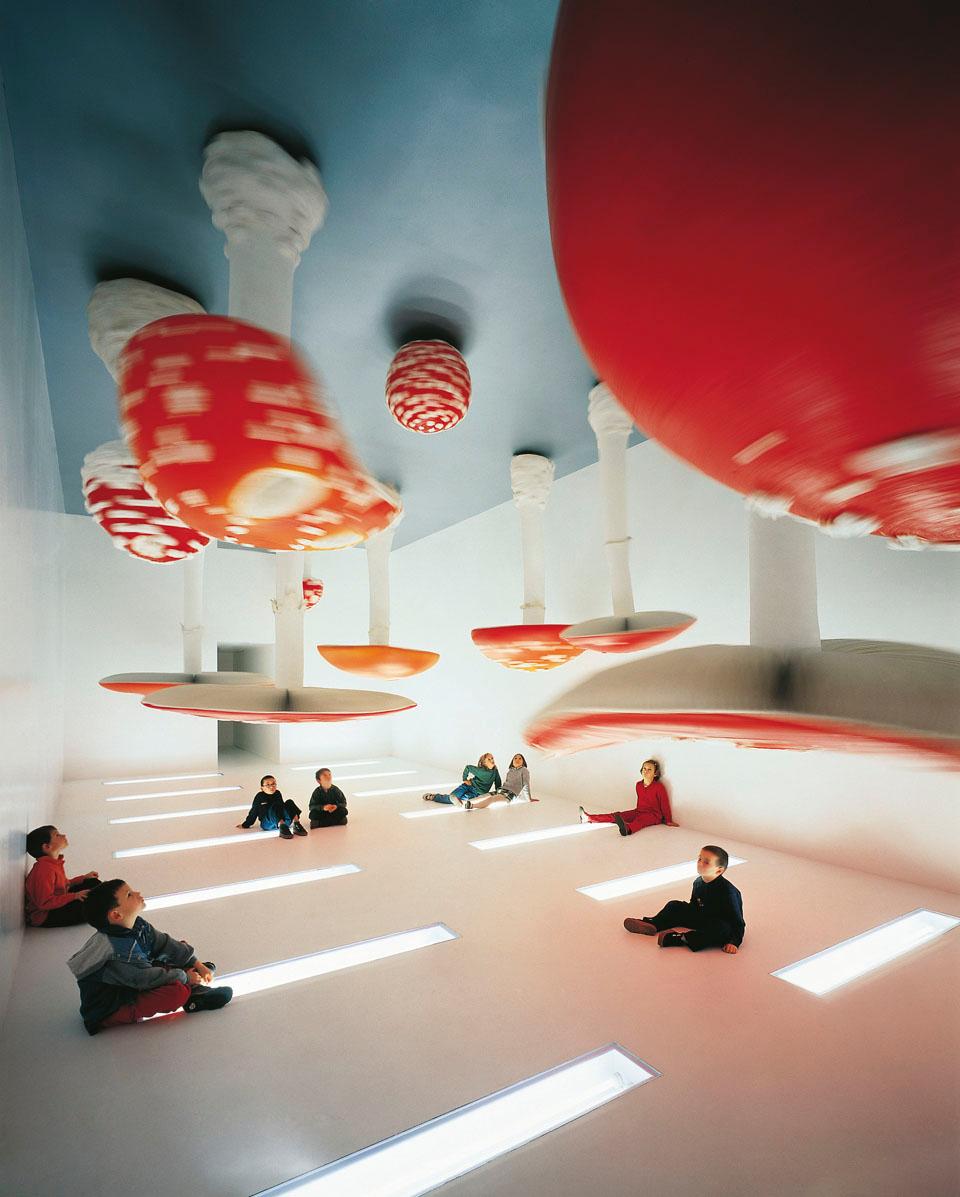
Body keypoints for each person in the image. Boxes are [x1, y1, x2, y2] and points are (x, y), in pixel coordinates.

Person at [67, 879, 233, 1034]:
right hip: (113, 1005)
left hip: (136, 978)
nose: (137, 893)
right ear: (116, 915)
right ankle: (193, 994)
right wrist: (185, 977)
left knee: (176, 949)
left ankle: (190, 978)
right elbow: (145, 979)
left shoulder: (136, 924)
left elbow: (163, 943)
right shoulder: (116, 953)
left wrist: (197, 963)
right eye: (129, 895)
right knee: (177, 993)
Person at [623, 845, 745, 953]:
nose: (700, 863)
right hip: (702, 918)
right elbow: (694, 905)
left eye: (706, 862)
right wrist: (683, 913)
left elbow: (738, 922)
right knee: (674, 905)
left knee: (722, 928)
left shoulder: (728, 892)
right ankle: (654, 924)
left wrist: (734, 942)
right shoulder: (698, 882)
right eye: (699, 859)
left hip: (717, 925)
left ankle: (681, 938)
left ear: (719, 870)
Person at [24, 825, 100, 928]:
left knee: (92, 883)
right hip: (46, 915)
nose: (63, 835)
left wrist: (84, 878)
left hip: (56, 903)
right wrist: (74, 896)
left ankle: (107, 902)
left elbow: (64, 885)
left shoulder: (53, 863)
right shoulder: (43, 869)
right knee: (90, 906)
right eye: (57, 835)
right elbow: (44, 903)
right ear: (47, 847)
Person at [579, 758, 678, 836]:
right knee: (617, 815)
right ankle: (589, 818)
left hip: (654, 815)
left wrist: (668, 820)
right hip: (639, 811)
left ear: (655, 773)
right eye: (644, 768)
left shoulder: (659, 787)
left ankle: (628, 829)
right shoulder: (638, 785)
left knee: (640, 821)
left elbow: (664, 804)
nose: (646, 771)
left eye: (649, 769)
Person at [237, 775, 307, 838]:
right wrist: (245, 825)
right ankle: (282, 827)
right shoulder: (259, 796)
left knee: (289, 802)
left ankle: (296, 824)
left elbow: (282, 808)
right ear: (262, 788)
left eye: (273, 784)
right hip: (267, 823)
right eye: (268, 785)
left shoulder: (277, 793)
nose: (271, 786)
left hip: (284, 822)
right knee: (275, 805)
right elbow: (254, 811)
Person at [423, 753, 502, 807]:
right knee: (454, 797)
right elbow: (468, 767)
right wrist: (465, 779)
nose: (492, 760)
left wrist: (498, 792)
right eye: (489, 759)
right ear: (484, 763)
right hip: (468, 786)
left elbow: (498, 782)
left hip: (476, 793)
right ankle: (434, 797)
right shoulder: (480, 770)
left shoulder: (495, 771)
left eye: (492, 758)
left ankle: (436, 797)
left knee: (457, 800)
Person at [465, 753, 538, 809]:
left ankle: (472, 806)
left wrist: (529, 799)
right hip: (501, 790)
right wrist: (498, 790)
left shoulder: (524, 770)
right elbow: (507, 783)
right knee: (484, 796)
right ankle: (465, 802)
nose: (517, 760)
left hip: (509, 793)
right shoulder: (510, 771)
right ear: (512, 761)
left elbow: (526, 784)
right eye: (515, 758)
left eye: (520, 758)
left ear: (523, 762)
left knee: (491, 799)